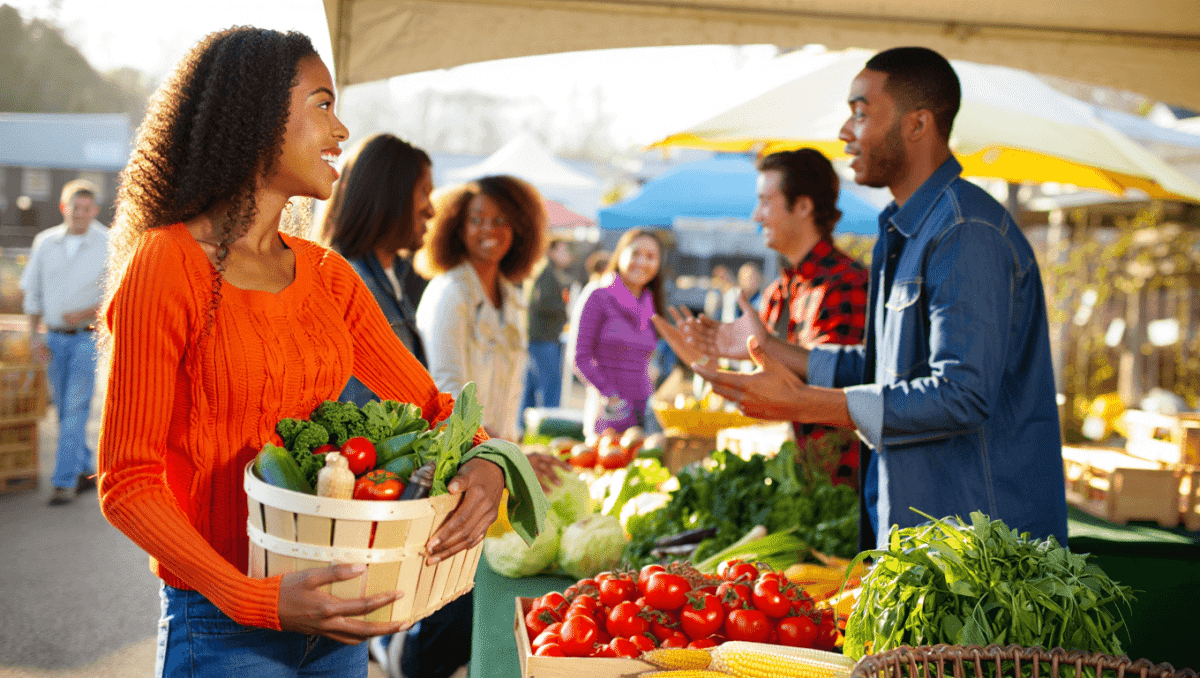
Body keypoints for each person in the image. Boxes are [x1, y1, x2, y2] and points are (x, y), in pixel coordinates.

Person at [95, 27, 506, 677]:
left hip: (337, 618)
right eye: (321, 104)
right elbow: (128, 484)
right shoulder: (166, 265)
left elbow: (433, 405)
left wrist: (488, 458)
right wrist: (250, 597)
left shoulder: (329, 277)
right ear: (256, 118)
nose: (341, 131)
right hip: (222, 625)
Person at [659, 46, 1067, 552]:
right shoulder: (907, 232)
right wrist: (770, 348)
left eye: (859, 113)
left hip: (979, 555)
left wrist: (809, 404)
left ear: (917, 124)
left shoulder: (967, 232)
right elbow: (885, 370)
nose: (844, 133)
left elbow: (961, 395)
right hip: (921, 536)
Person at [752, 149, 868, 488]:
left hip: (842, 485)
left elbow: (836, 385)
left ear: (803, 206)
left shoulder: (847, 283)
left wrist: (760, 350)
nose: (757, 215)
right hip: (801, 476)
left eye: (765, 202)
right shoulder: (779, 291)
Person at [415, 175, 547, 442]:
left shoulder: (511, 298)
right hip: (456, 457)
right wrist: (501, 450)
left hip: (494, 458)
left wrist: (512, 450)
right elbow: (447, 393)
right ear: (458, 229)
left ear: (518, 229)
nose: (488, 229)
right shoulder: (449, 293)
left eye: (500, 221)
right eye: (476, 220)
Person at [320, 133, 434, 395]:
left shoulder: (391, 277)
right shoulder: (349, 284)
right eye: (424, 193)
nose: (431, 210)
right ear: (391, 196)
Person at [20, 178, 109, 506]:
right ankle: (86, 468)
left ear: (95, 211)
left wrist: (87, 311)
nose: (81, 214)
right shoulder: (45, 242)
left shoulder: (108, 243)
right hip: (53, 339)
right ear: (64, 208)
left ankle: (63, 482)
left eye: (87, 209)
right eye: (75, 207)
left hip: (86, 339)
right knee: (62, 410)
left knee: (74, 409)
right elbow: (33, 292)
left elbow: (119, 295)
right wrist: (34, 337)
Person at [574, 228, 664, 436]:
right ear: (620, 254)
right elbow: (581, 358)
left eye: (651, 257)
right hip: (608, 414)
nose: (642, 262)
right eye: (635, 254)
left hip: (643, 414)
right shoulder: (599, 297)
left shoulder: (651, 306)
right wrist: (611, 395)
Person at [522, 236, 574, 413]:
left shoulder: (549, 271)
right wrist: (565, 309)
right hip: (544, 337)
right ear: (552, 252)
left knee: (532, 385)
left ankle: (524, 425)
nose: (568, 254)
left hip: (540, 337)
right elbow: (541, 302)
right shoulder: (547, 272)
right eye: (563, 250)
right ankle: (548, 423)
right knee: (550, 386)